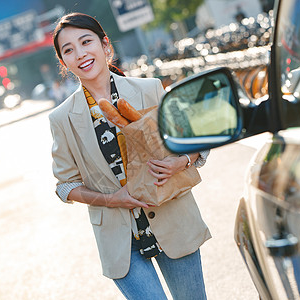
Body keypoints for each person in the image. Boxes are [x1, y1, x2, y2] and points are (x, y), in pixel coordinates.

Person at [49, 12, 211, 299]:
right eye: (69, 50)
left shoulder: (150, 90)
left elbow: (194, 140)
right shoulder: (62, 118)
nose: (81, 53)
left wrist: (180, 162)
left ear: (104, 44)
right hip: (119, 240)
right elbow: (65, 185)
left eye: (86, 42)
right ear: (64, 63)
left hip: (172, 219)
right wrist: (111, 199)